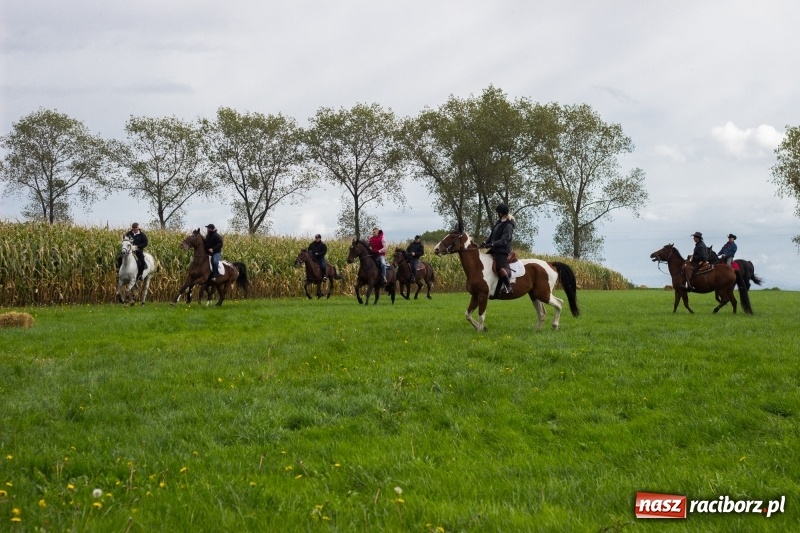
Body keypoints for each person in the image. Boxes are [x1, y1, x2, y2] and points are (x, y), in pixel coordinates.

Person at [480, 203, 515, 298]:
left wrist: (491, 244)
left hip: (503, 250)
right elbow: (492, 236)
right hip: (495, 249)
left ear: (501, 213)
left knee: (499, 267)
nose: (497, 214)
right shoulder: (498, 222)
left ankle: (508, 286)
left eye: (498, 212)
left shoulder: (508, 225)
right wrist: (485, 243)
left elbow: (504, 240)